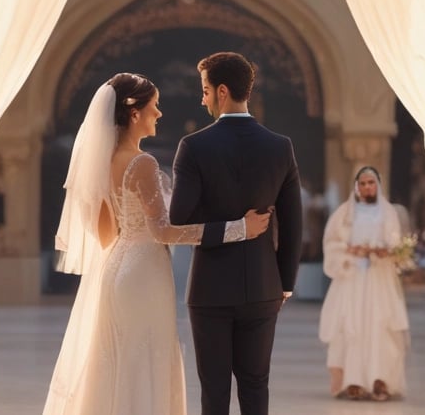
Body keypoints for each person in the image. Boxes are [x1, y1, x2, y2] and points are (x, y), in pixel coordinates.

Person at [43, 73, 272, 415]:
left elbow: (106, 232)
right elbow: (164, 231)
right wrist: (239, 228)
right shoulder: (142, 162)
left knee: (119, 359)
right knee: (145, 356)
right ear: (134, 113)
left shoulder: (103, 161)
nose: (160, 114)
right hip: (143, 273)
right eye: (155, 106)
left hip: (116, 265)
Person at [170, 52, 303, 415]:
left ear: (222, 91)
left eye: (205, 90)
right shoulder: (281, 147)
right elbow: (293, 222)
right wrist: (285, 281)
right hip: (264, 287)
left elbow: (177, 219)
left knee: (214, 392)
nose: (202, 98)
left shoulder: (194, 147)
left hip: (210, 289)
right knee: (256, 385)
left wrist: (220, 223)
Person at [318, 166, 409, 401]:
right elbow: (331, 242)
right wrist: (350, 250)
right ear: (356, 186)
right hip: (352, 279)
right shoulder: (344, 213)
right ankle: (353, 380)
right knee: (352, 327)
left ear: (378, 185)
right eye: (363, 183)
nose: (367, 187)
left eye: (371, 183)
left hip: (379, 280)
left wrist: (383, 251)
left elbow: (397, 244)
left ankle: (381, 380)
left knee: (379, 327)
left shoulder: (387, 212)